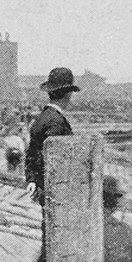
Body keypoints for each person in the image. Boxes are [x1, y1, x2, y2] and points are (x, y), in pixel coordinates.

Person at [25, 67, 77, 203]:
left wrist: (32, 180)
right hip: (55, 189)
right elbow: (57, 160)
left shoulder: (42, 117)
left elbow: (32, 153)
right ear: (68, 94)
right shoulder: (57, 122)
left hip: (44, 186)